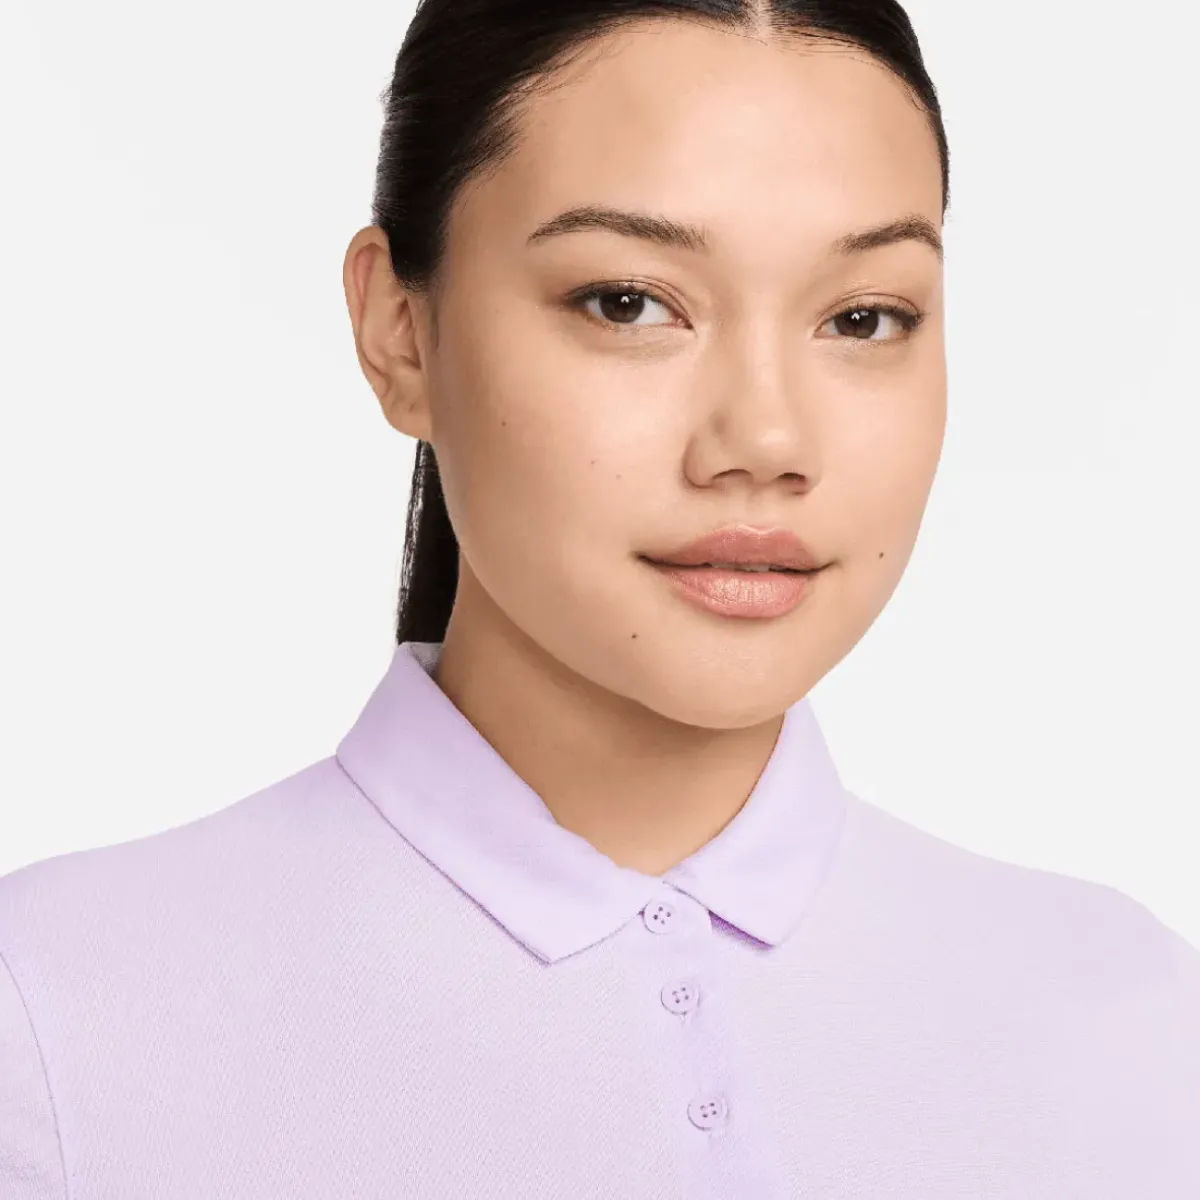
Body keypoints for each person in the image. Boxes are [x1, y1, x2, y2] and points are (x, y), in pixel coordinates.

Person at [2, 0, 1197, 1195]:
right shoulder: (52, 1020)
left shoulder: (1131, 1026)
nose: (766, 440)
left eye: (862, 318)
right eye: (628, 302)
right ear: (400, 331)